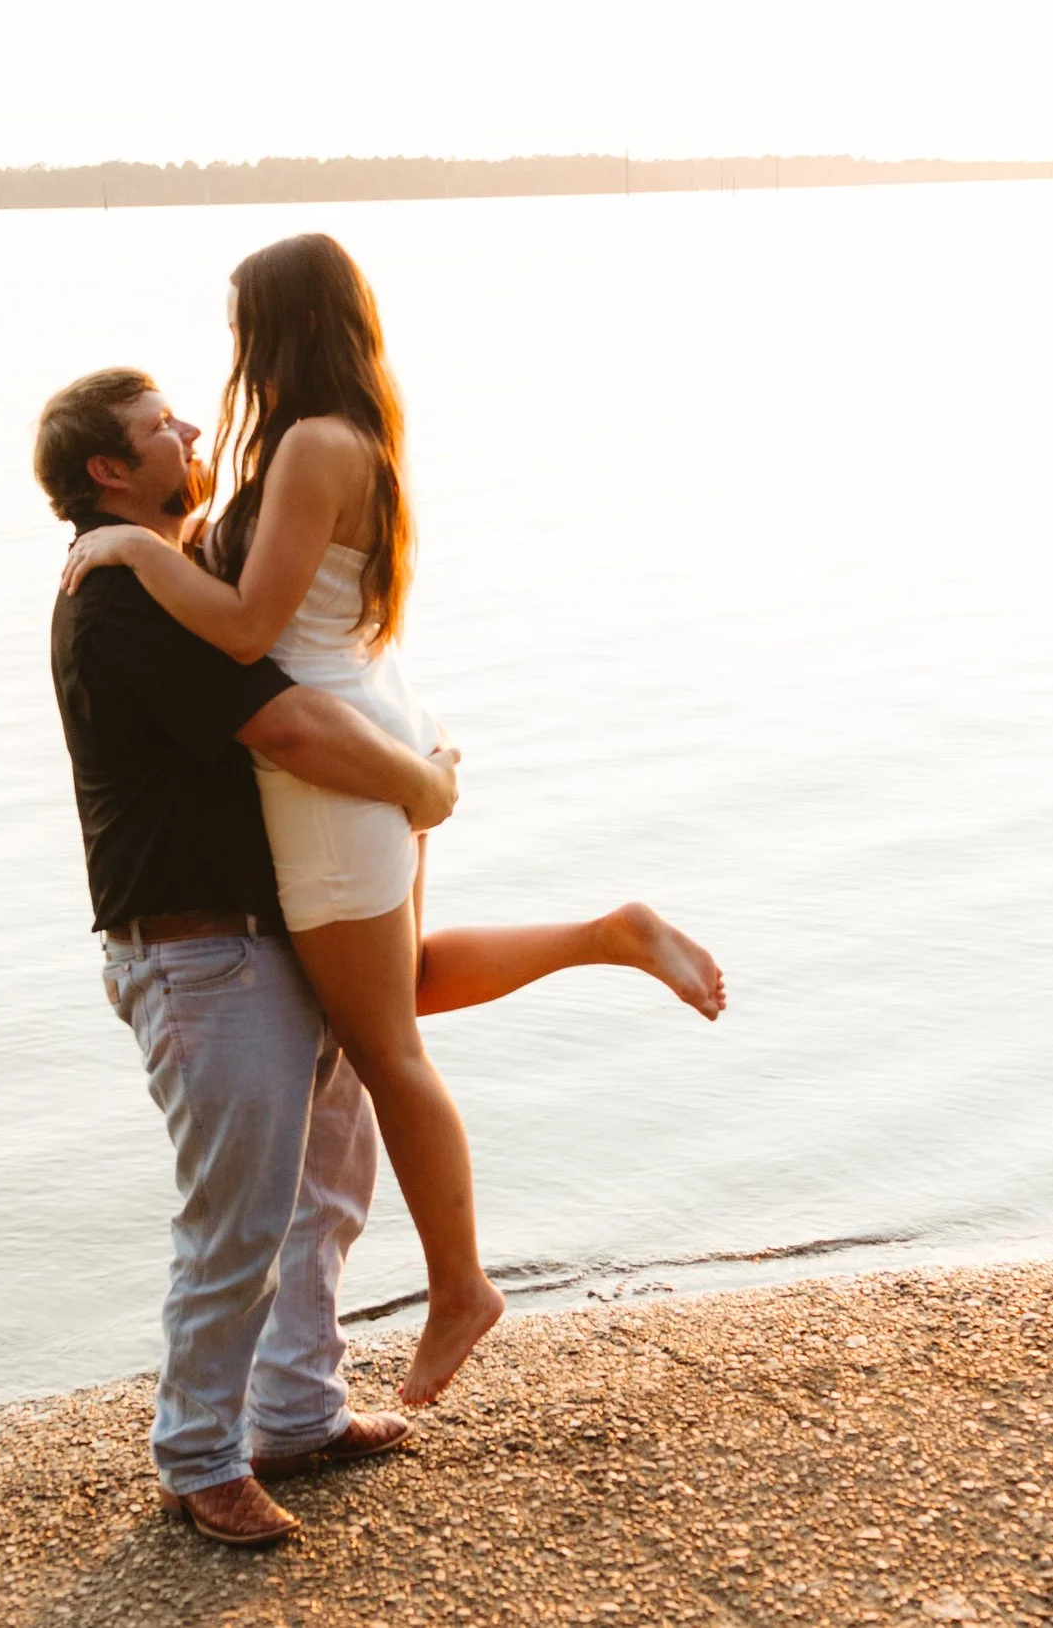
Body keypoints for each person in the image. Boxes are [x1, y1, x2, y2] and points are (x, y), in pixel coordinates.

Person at [59, 233, 726, 1414]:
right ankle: (608, 934)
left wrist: (128, 548)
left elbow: (246, 626)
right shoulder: (349, 433)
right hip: (377, 721)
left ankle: (460, 1284)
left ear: (286, 324)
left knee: (385, 1045)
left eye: (242, 327)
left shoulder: (311, 443)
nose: (231, 356)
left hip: (332, 764)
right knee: (400, 982)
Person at [40, 365, 453, 1546]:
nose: (188, 428)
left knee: (325, 1189)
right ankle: (198, 1456)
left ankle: (297, 1410)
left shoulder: (183, 574)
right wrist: (421, 784)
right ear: (109, 470)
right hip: (197, 949)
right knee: (238, 1216)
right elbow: (287, 720)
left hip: (276, 931)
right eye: (156, 426)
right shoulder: (118, 598)